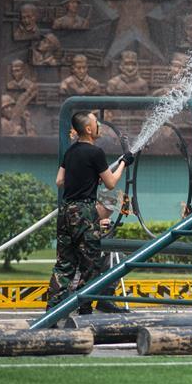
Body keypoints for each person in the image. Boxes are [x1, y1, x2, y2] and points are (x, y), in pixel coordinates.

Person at [46, 111, 133, 314]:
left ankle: (52, 309)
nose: (99, 126)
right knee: (90, 263)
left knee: (64, 263)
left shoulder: (71, 151)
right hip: (84, 212)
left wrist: (87, 177)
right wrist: (123, 163)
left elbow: (59, 181)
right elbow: (111, 183)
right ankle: (84, 307)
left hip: (66, 210)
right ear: (88, 129)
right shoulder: (96, 153)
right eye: (96, 123)